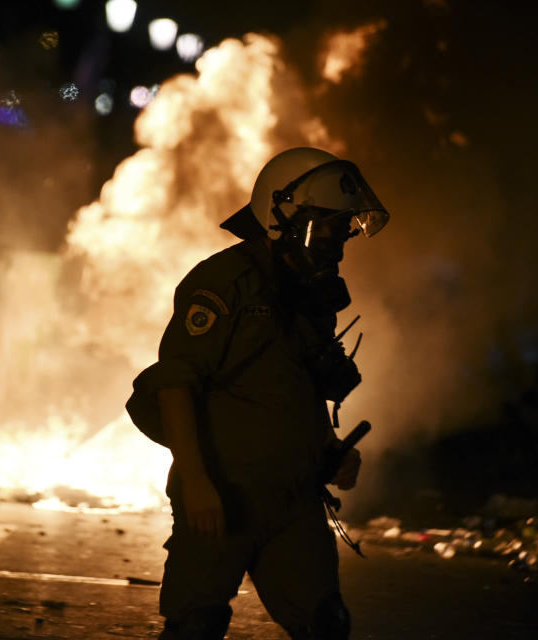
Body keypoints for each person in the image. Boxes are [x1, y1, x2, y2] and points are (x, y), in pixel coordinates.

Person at [127, 147, 390, 639]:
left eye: (344, 228)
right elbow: (175, 385)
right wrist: (198, 482)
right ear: (282, 215)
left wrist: (332, 452)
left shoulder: (313, 296)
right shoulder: (224, 283)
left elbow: (295, 390)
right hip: (224, 497)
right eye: (328, 226)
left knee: (325, 624)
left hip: (294, 503)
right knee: (196, 626)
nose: (338, 242)